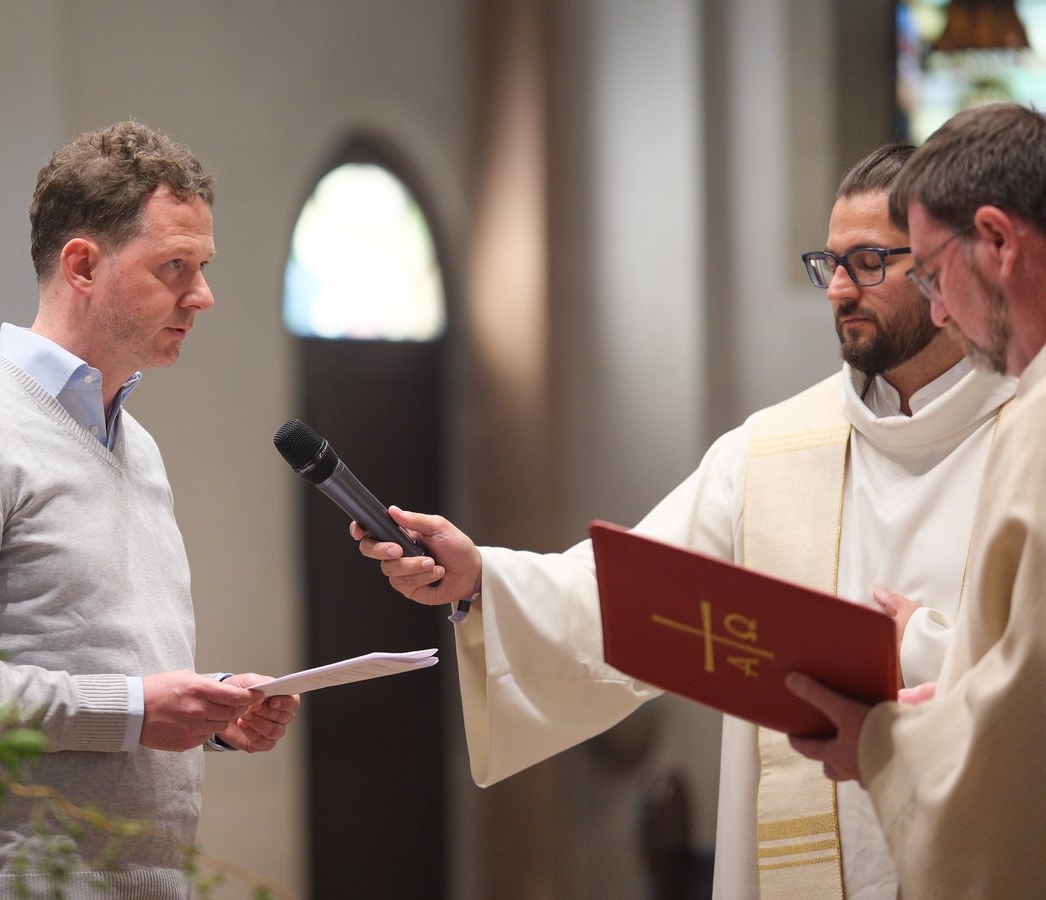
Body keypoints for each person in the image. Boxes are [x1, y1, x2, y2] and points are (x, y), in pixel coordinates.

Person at [353, 144, 1018, 899]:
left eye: (868, 262)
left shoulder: (1023, 436)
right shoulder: (770, 450)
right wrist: (482, 578)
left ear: (941, 267)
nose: (837, 289)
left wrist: (916, 653)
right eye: (826, 263)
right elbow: (633, 598)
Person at [0, 121, 300, 899]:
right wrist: (132, 711)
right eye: (174, 267)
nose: (202, 296)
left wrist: (206, 711)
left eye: (201, 267)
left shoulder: (140, 448)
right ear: (83, 265)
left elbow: (91, 656)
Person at [787, 102, 1046, 898]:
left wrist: (882, 745)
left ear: (998, 242)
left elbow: (1028, 722)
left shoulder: (1034, 422)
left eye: (931, 274)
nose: (937, 310)